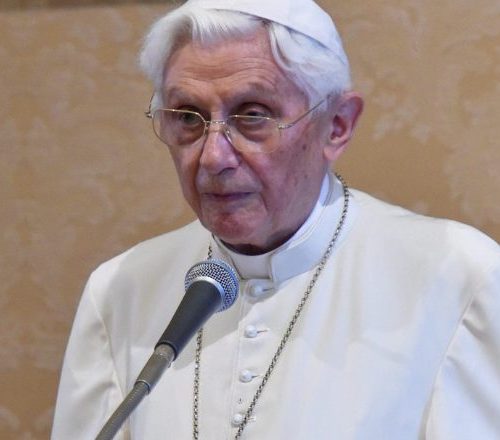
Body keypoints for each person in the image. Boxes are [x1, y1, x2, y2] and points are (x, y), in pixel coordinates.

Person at [51, 0, 500, 439]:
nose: (213, 157)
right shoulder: (120, 290)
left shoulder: (456, 275)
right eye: (188, 117)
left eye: (253, 116)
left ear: (337, 125)